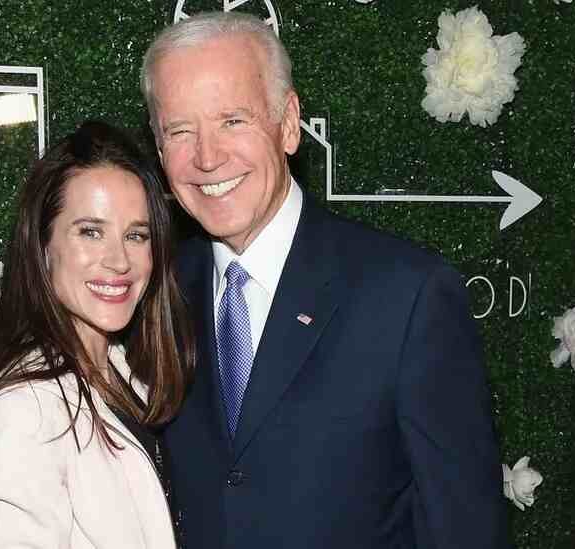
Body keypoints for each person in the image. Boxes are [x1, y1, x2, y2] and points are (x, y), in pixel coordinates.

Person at [140, 12, 509, 549]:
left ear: (288, 124)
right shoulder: (156, 293)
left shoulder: (407, 296)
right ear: (158, 147)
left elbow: (465, 529)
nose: (207, 156)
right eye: (180, 130)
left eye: (232, 121)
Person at [0, 121, 193, 549]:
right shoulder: (21, 408)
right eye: (90, 232)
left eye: (136, 235)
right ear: (43, 244)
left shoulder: (121, 369)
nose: (119, 261)